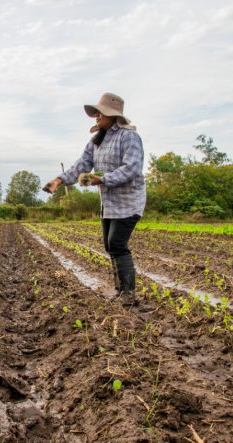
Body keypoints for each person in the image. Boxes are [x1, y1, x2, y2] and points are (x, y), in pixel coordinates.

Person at [43, 92, 146, 307]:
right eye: (96, 113)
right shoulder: (96, 140)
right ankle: (120, 290)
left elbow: (132, 168)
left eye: (100, 113)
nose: (96, 116)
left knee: (117, 243)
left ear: (113, 114)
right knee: (110, 246)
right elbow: (82, 165)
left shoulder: (129, 137)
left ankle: (128, 293)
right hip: (108, 203)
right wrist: (59, 180)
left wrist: (102, 179)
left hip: (128, 201)